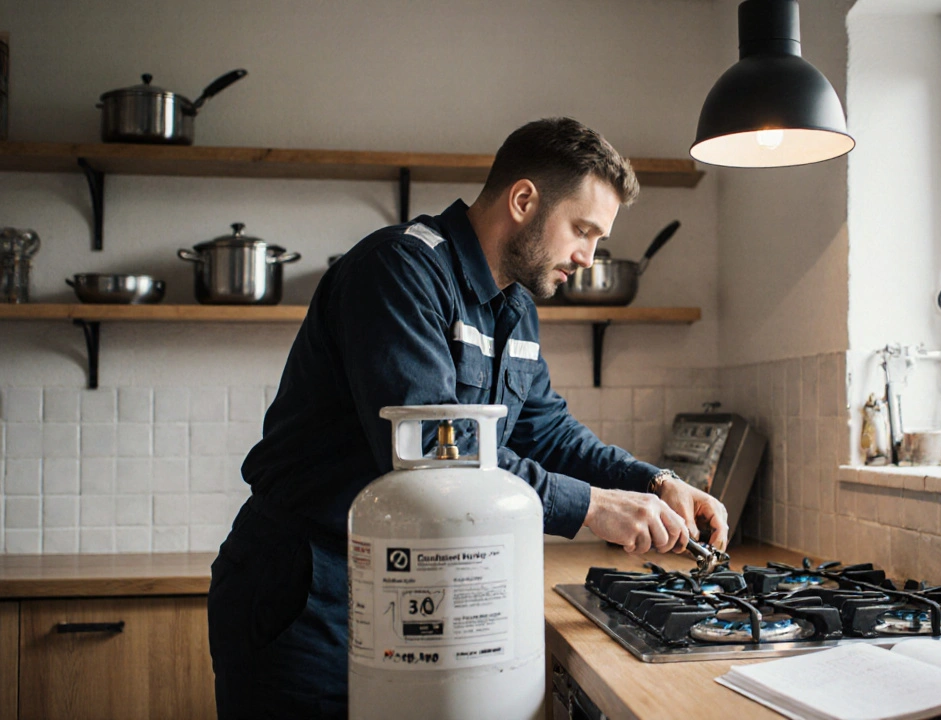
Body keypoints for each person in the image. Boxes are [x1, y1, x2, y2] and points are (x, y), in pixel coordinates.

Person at [206, 117, 729, 719]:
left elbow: (546, 429)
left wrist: (656, 482)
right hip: (304, 587)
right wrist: (593, 507)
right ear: (524, 200)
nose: (588, 256)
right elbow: (433, 452)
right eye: (582, 230)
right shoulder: (400, 271)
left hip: (410, 584)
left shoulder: (515, 305)